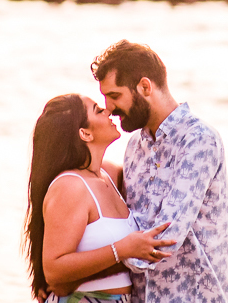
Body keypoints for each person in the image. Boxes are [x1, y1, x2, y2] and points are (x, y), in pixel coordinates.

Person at [91, 41, 228, 303]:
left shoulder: (199, 140)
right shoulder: (134, 147)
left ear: (145, 86)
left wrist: (76, 271)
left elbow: (163, 240)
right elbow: (128, 227)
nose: (108, 107)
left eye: (115, 95)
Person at [25, 93, 177, 303]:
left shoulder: (110, 174)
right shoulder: (71, 186)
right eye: (97, 110)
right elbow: (54, 271)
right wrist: (123, 249)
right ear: (85, 133)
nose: (108, 110)